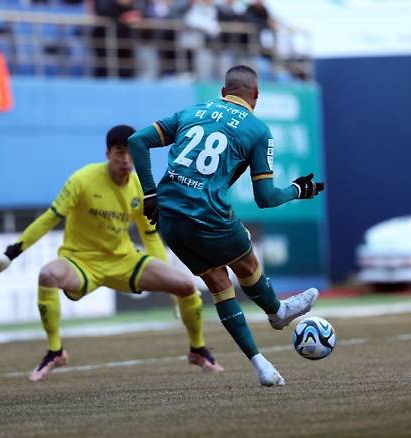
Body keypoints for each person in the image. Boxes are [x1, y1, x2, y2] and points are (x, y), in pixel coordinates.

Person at [0, 125, 223, 382]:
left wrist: (166, 271)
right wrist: (10, 254)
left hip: (123, 261)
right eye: (119, 153)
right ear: (107, 153)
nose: (126, 160)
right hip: (81, 262)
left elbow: (149, 234)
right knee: (48, 274)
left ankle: (198, 349)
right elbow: (49, 218)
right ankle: (55, 351)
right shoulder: (82, 180)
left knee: (184, 284)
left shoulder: (138, 185)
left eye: (130, 154)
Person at [128, 65, 324, 386]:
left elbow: (137, 141)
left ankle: (261, 365)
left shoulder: (193, 111)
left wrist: (150, 193)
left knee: (219, 284)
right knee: (245, 259)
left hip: (169, 217)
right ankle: (277, 311)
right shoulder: (258, 131)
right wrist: (299, 190)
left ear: (223, 91)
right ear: (256, 96)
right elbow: (266, 198)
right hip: (206, 212)